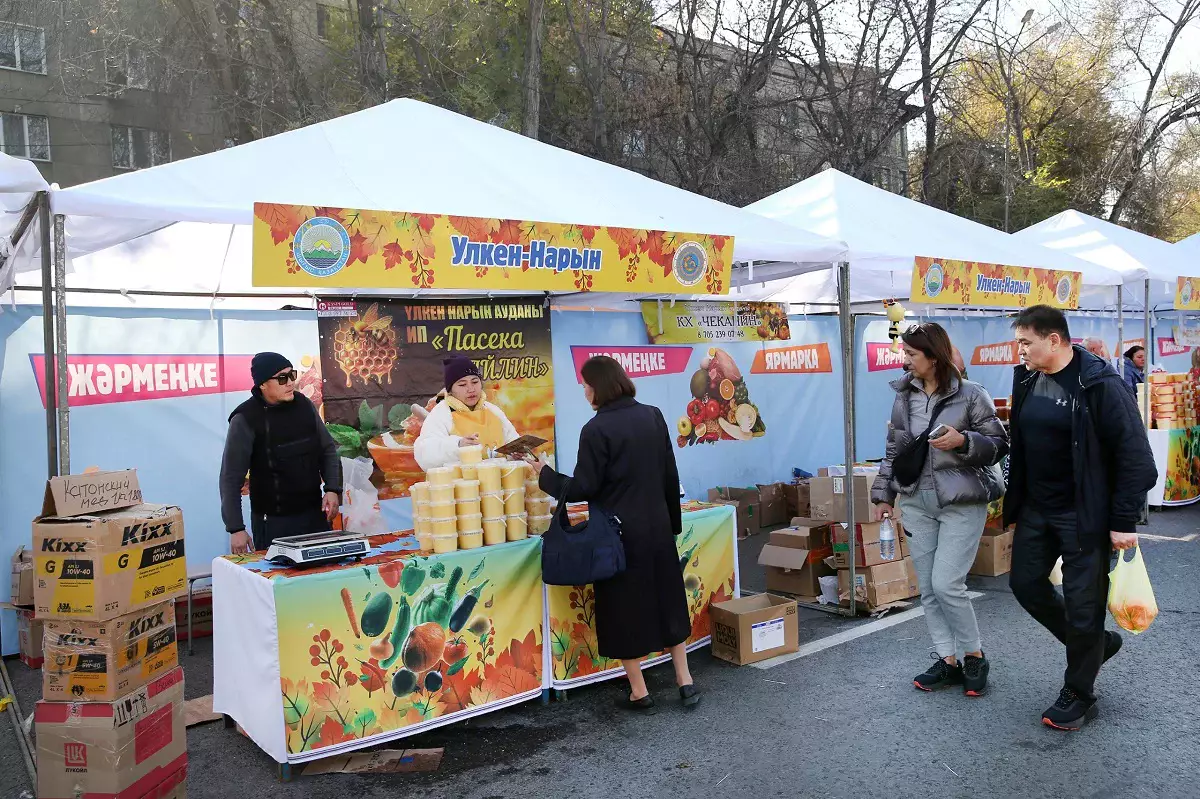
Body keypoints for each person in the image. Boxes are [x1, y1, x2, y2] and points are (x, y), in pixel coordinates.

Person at [1006, 306, 1156, 731]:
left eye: (1026, 342)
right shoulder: (1028, 378)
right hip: (1038, 508)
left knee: (1083, 605)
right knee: (1024, 584)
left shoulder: (1101, 384)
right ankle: (1095, 645)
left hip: (1084, 513)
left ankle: (1080, 691)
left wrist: (1124, 520)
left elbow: (1137, 460)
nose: (1020, 350)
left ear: (1054, 340)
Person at [529, 356, 697, 713]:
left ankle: (640, 691)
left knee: (622, 610)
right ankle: (685, 681)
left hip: (618, 535)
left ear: (598, 387)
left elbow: (583, 488)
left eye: (586, 385)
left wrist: (545, 475)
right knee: (668, 600)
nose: (584, 391)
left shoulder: (596, 429)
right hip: (657, 528)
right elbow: (670, 474)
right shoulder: (652, 415)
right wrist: (671, 525)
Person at [871, 323, 1008, 697]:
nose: (905, 361)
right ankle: (947, 660)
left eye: (912, 354)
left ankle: (974, 656)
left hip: (961, 502)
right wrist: (883, 495)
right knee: (929, 588)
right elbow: (894, 450)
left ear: (934, 356)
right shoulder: (904, 397)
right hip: (916, 501)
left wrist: (964, 441)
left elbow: (998, 443)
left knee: (947, 585)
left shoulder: (972, 394)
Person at [220, 352, 342, 554]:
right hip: (273, 524)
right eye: (282, 378)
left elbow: (327, 449)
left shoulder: (304, 405)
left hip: (314, 515)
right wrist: (236, 528)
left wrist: (332, 489)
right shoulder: (244, 419)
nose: (290, 383)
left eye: (292, 375)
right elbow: (230, 477)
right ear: (262, 384)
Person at [414, 356, 520, 470]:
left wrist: (516, 454)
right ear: (450, 390)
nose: (471, 389)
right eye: (462, 385)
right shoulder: (441, 414)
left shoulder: (493, 411)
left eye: (475, 382)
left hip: (498, 484)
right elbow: (425, 455)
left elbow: (512, 441)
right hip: (461, 486)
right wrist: (458, 445)